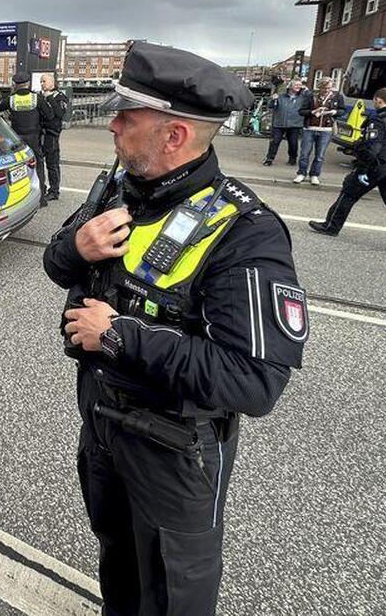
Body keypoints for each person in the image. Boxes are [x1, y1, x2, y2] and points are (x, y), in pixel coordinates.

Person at [45, 41, 306, 616]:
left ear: (174, 136)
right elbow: (57, 265)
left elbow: (255, 380)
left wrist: (120, 336)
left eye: (126, 116)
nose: (111, 124)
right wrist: (76, 247)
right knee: (117, 563)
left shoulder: (245, 232)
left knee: (171, 593)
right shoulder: (118, 188)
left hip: (175, 451)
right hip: (102, 424)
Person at [309, 86, 386, 253]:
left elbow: (372, 149)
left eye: (375, 101)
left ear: (378, 100)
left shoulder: (379, 121)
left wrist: (362, 170)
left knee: (348, 193)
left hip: (375, 166)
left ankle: (331, 226)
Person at [0, 71, 48, 206]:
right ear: (28, 83)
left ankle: (20, 195)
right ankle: (41, 198)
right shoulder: (36, 98)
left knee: (17, 166)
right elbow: (49, 115)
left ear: (15, 84)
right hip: (33, 137)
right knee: (38, 165)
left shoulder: (11, 99)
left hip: (16, 138)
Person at [294, 77, 345, 186]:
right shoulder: (311, 96)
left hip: (326, 129)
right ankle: (301, 173)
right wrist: (313, 112)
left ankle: (314, 174)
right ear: (320, 87)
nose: (327, 90)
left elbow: (342, 110)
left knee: (320, 155)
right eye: (324, 88)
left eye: (329, 88)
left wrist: (334, 112)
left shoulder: (337, 97)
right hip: (310, 128)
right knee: (304, 153)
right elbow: (301, 111)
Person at [39, 73, 70, 200]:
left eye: (44, 81)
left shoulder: (60, 96)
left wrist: (50, 98)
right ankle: (41, 188)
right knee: (38, 163)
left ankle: (54, 191)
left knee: (52, 164)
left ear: (52, 82)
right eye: (41, 81)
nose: (42, 84)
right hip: (40, 133)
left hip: (51, 135)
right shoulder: (39, 96)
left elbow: (60, 113)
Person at [263, 78, 305, 166]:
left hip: (294, 124)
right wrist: (273, 99)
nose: (298, 86)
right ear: (290, 86)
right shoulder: (281, 97)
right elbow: (270, 106)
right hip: (279, 123)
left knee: (293, 143)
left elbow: (310, 101)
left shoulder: (302, 98)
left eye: (300, 85)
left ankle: (292, 158)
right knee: (275, 142)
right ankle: (269, 159)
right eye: (296, 85)